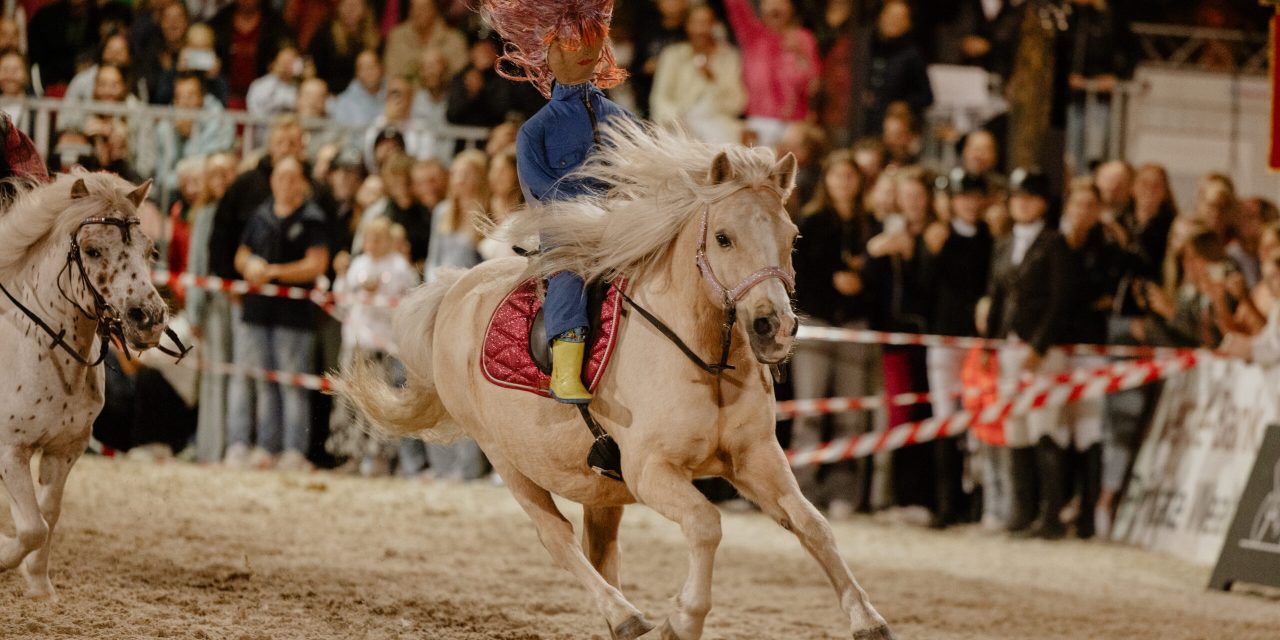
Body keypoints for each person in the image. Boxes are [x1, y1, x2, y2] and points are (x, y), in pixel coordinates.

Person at [483, 0, 632, 403]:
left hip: (624, 228)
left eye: (590, 39)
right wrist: (589, 211)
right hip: (570, 234)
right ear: (545, 53)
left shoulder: (621, 118)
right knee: (569, 273)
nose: (583, 51)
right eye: (569, 42)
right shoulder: (536, 132)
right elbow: (541, 190)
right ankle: (564, 368)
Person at [982, 167, 1074, 535]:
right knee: (1015, 427)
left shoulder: (1054, 244)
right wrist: (991, 343)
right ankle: (1022, 511)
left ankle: (1050, 514)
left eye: (1028, 198)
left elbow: (1060, 298)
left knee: (1043, 427)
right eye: (1016, 198)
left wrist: (1039, 344)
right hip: (1009, 344)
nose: (1020, 204)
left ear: (1042, 203)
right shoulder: (1005, 244)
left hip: (1041, 349)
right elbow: (998, 295)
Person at [791, 151, 880, 518]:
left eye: (850, 176)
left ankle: (845, 492)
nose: (843, 182)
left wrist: (862, 283)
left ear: (859, 182)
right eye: (837, 176)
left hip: (855, 327)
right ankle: (801, 489)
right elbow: (797, 278)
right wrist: (834, 283)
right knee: (809, 411)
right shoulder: (810, 223)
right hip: (816, 324)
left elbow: (881, 282)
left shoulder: (870, 225)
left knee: (851, 414)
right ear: (826, 181)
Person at [229, 157, 331, 471]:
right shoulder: (261, 215)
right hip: (257, 312)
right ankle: (264, 446)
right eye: (280, 178)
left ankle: (293, 450)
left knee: (292, 384)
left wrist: (273, 272)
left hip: (293, 316)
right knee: (261, 382)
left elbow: (316, 264)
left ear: (301, 182)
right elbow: (241, 254)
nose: (286, 184)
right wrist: (250, 266)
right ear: (273, 182)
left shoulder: (312, 218)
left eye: (292, 178)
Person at [919, 169, 994, 528]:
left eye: (975, 196)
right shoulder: (940, 235)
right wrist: (930, 252)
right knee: (946, 420)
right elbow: (924, 289)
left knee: (978, 422)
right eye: (964, 196)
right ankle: (945, 504)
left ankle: (976, 503)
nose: (969, 202)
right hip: (945, 339)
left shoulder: (992, 239)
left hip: (978, 342)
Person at [328, 216, 419, 476]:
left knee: (380, 401)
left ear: (389, 240)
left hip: (383, 344)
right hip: (355, 342)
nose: (372, 243)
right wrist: (343, 278)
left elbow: (406, 306)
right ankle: (351, 456)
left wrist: (379, 296)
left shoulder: (400, 267)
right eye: (368, 238)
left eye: (378, 238)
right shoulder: (358, 263)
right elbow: (343, 302)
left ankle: (379, 458)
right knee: (350, 400)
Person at [722, 0, 820, 147]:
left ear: (791, 7)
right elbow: (736, 5)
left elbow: (813, 86)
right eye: (769, 2)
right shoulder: (752, 34)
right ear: (761, 7)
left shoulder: (803, 38)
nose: (775, 7)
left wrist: (800, 54)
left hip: (794, 124)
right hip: (758, 121)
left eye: (781, 2)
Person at [649, 4, 745, 145]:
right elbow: (659, 98)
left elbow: (737, 103)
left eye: (706, 23)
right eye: (696, 23)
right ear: (687, 26)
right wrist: (677, 120)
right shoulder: (672, 55)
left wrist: (713, 79)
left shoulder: (729, 56)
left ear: (715, 25)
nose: (701, 30)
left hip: (718, 123)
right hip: (679, 123)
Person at [851, 0, 933, 140]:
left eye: (900, 18)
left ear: (909, 24)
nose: (893, 21)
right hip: (858, 119)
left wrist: (902, 104)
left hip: (890, 127)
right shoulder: (865, 46)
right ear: (880, 17)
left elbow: (926, 96)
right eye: (890, 15)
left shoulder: (912, 55)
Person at [154, 72, 236, 207]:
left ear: (202, 98)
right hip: (174, 193)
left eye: (190, 96)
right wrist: (178, 136)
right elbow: (162, 176)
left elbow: (205, 169)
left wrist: (191, 135)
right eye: (180, 97)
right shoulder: (166, 126)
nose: (184, 103)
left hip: (208, 193)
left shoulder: (219, 120)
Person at [210, 0, 292, 105]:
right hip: (224, 96)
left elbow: (288, 49)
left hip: (265, 99)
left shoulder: (276, 25)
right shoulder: (219, 22)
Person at [424, 149, 486, 279]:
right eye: (455, 173)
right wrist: (433, 283)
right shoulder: (442, 210)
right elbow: (433, 258)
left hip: (470, 283)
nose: (459, 179)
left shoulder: (486, 211)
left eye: (466, 174)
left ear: (480, 176)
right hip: (440, 282)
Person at [309, 0, 381, 94]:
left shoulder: (373, 38)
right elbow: (313, 67)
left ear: (365, 9)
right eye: (346, 5)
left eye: (356, 5)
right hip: (330, 93)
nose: (350, 9)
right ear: (339, 8)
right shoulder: (325, 33)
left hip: (366, 94)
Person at [384, 0, 467, 80]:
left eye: (423, 8)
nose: (418, 13)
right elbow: (392, 75)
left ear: (434, 10)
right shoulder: (397, 37)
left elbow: (461, 79)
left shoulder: (454, 40)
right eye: (414, 8)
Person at [27, 0, 102, 88]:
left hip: (90, 81)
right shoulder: (45, 17)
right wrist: (71, 69)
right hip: (51, 81)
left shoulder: (100, 16)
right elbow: (36, 56)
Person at [332, 49, 386, 130]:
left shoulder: (393, 91)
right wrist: (385, 118)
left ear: (382, 68)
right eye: (363, 69)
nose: (369, 72)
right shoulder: (344, 103)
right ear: (357, 74)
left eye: (371, 67)